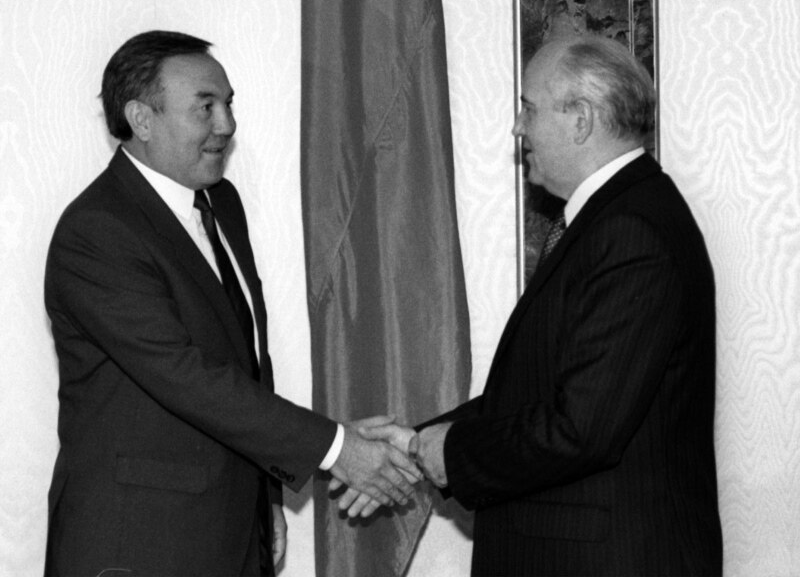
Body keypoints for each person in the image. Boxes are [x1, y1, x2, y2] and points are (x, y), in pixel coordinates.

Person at [340, 34, 724, 576]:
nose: (518, 128)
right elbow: (540, 392)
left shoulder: (631, 232)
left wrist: (449, 454)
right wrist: (416, 443)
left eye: (529, 108)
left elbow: (582, 429)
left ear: (581, 119)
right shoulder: (618, 217)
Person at [43, 30, 421, 576]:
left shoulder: (220, 203)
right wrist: (337, 449)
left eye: (228, 104)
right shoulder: (98, 231)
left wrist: (266, 499)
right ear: (141, 119)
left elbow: (246, 363)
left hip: (232, 531)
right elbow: (187, 377)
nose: (226, 125)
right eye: (206, 107)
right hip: (139, 544)